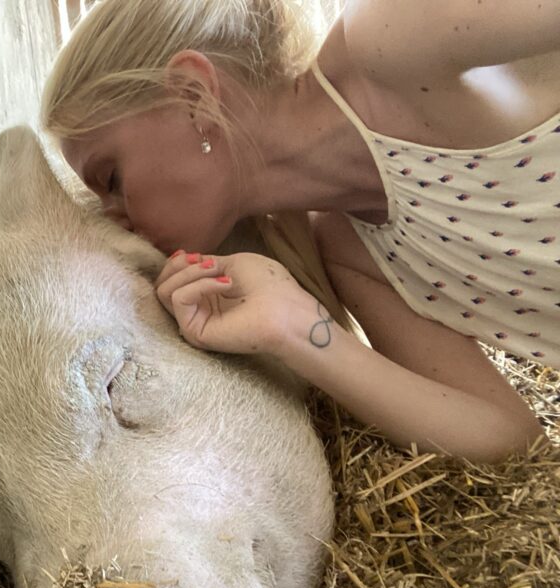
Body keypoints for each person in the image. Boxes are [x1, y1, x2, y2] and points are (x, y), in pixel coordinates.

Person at [41, 0, 558, 462]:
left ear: (193, 96)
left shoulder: (391, 36)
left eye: (111, 179)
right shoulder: (351, 251)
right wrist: (293, 330)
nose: (112, 217)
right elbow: (515, 442)